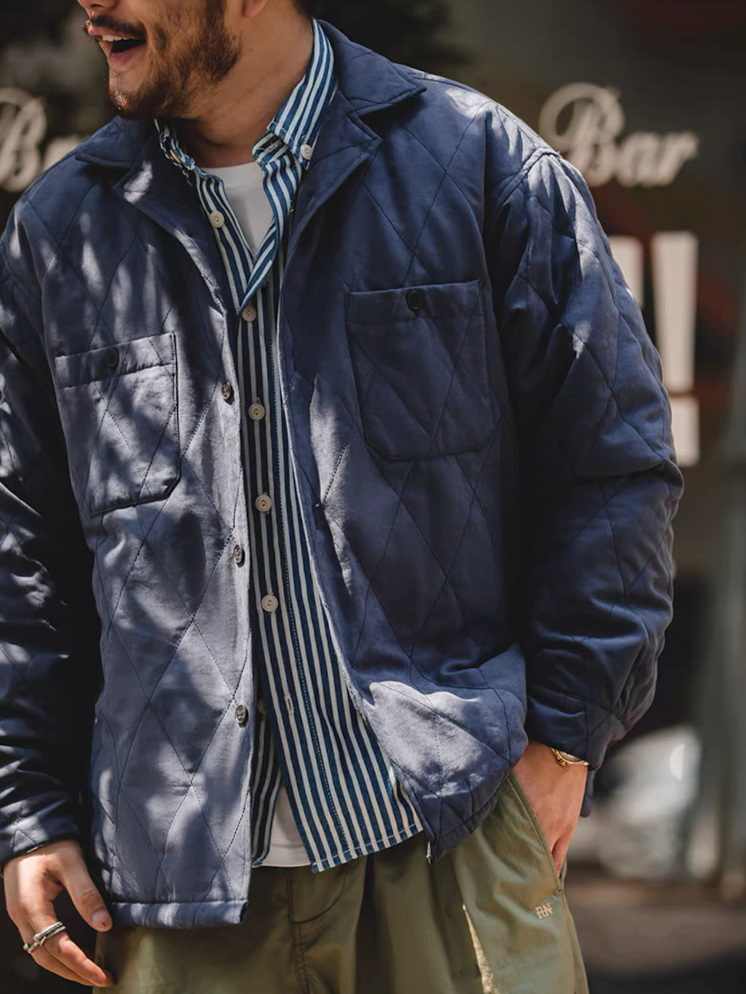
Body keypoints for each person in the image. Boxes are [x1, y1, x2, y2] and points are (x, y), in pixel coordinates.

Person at [0, 0, 684, 991]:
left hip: (445, 845)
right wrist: (29, 806)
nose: (90, 4)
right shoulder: (61, 232)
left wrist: (564, 741)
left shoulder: (481, 163)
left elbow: (609, 469)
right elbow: (23, 546)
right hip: (177, 885)